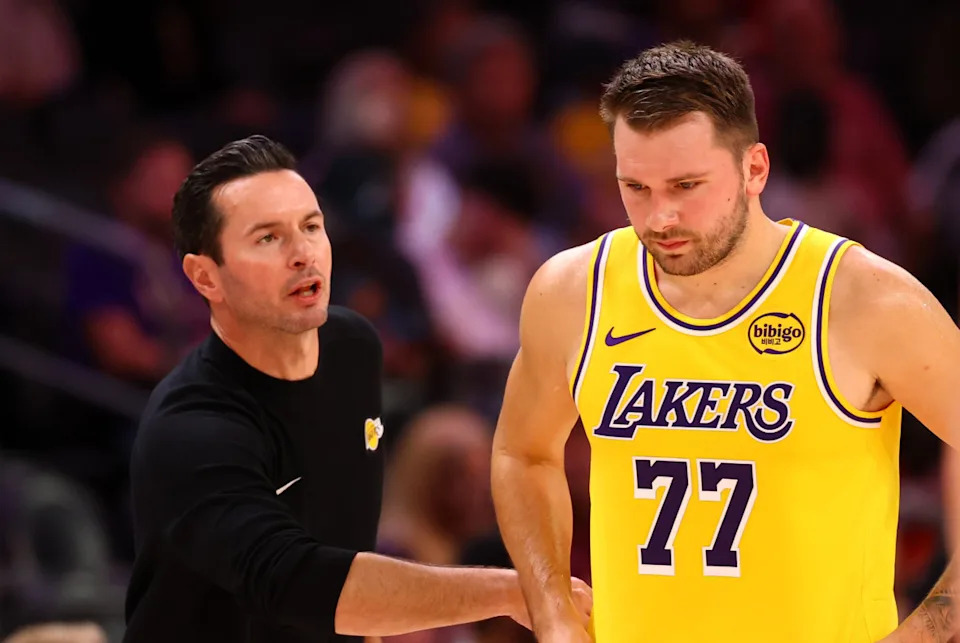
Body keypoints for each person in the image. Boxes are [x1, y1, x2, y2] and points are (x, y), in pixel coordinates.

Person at [490, 40, 960, 643]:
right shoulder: (574, 291)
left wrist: (933, 627)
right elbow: (523, 453)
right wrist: (553, 610)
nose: (660, 217)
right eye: (636, 187)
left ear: (754, 169)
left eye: (686, 185)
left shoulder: (862, 299)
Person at [123, 135, 591, 643]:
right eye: (268, 238)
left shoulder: (352, 347)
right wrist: (514, 591)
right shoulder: (193, 427)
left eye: (311, 227)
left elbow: (347, 545)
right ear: (205, 277)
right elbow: (299, 585)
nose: (303, 254)